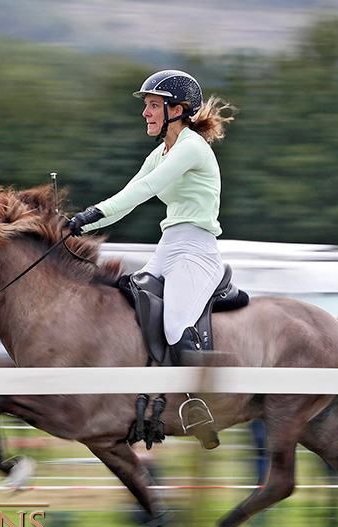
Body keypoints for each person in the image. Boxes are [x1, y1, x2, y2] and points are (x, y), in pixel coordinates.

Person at [67, 69, 235, 362]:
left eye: (154, 105)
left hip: (196, 252)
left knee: (174, 326)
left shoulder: (192, 146)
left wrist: (91, 214)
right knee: (125, 310)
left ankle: (201, 402)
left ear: (177, 110)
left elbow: (146, 188)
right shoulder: (160, 153)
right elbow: (126, 200)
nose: (145, 112)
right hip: (166, 250)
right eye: (146, 105)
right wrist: (74, 225)